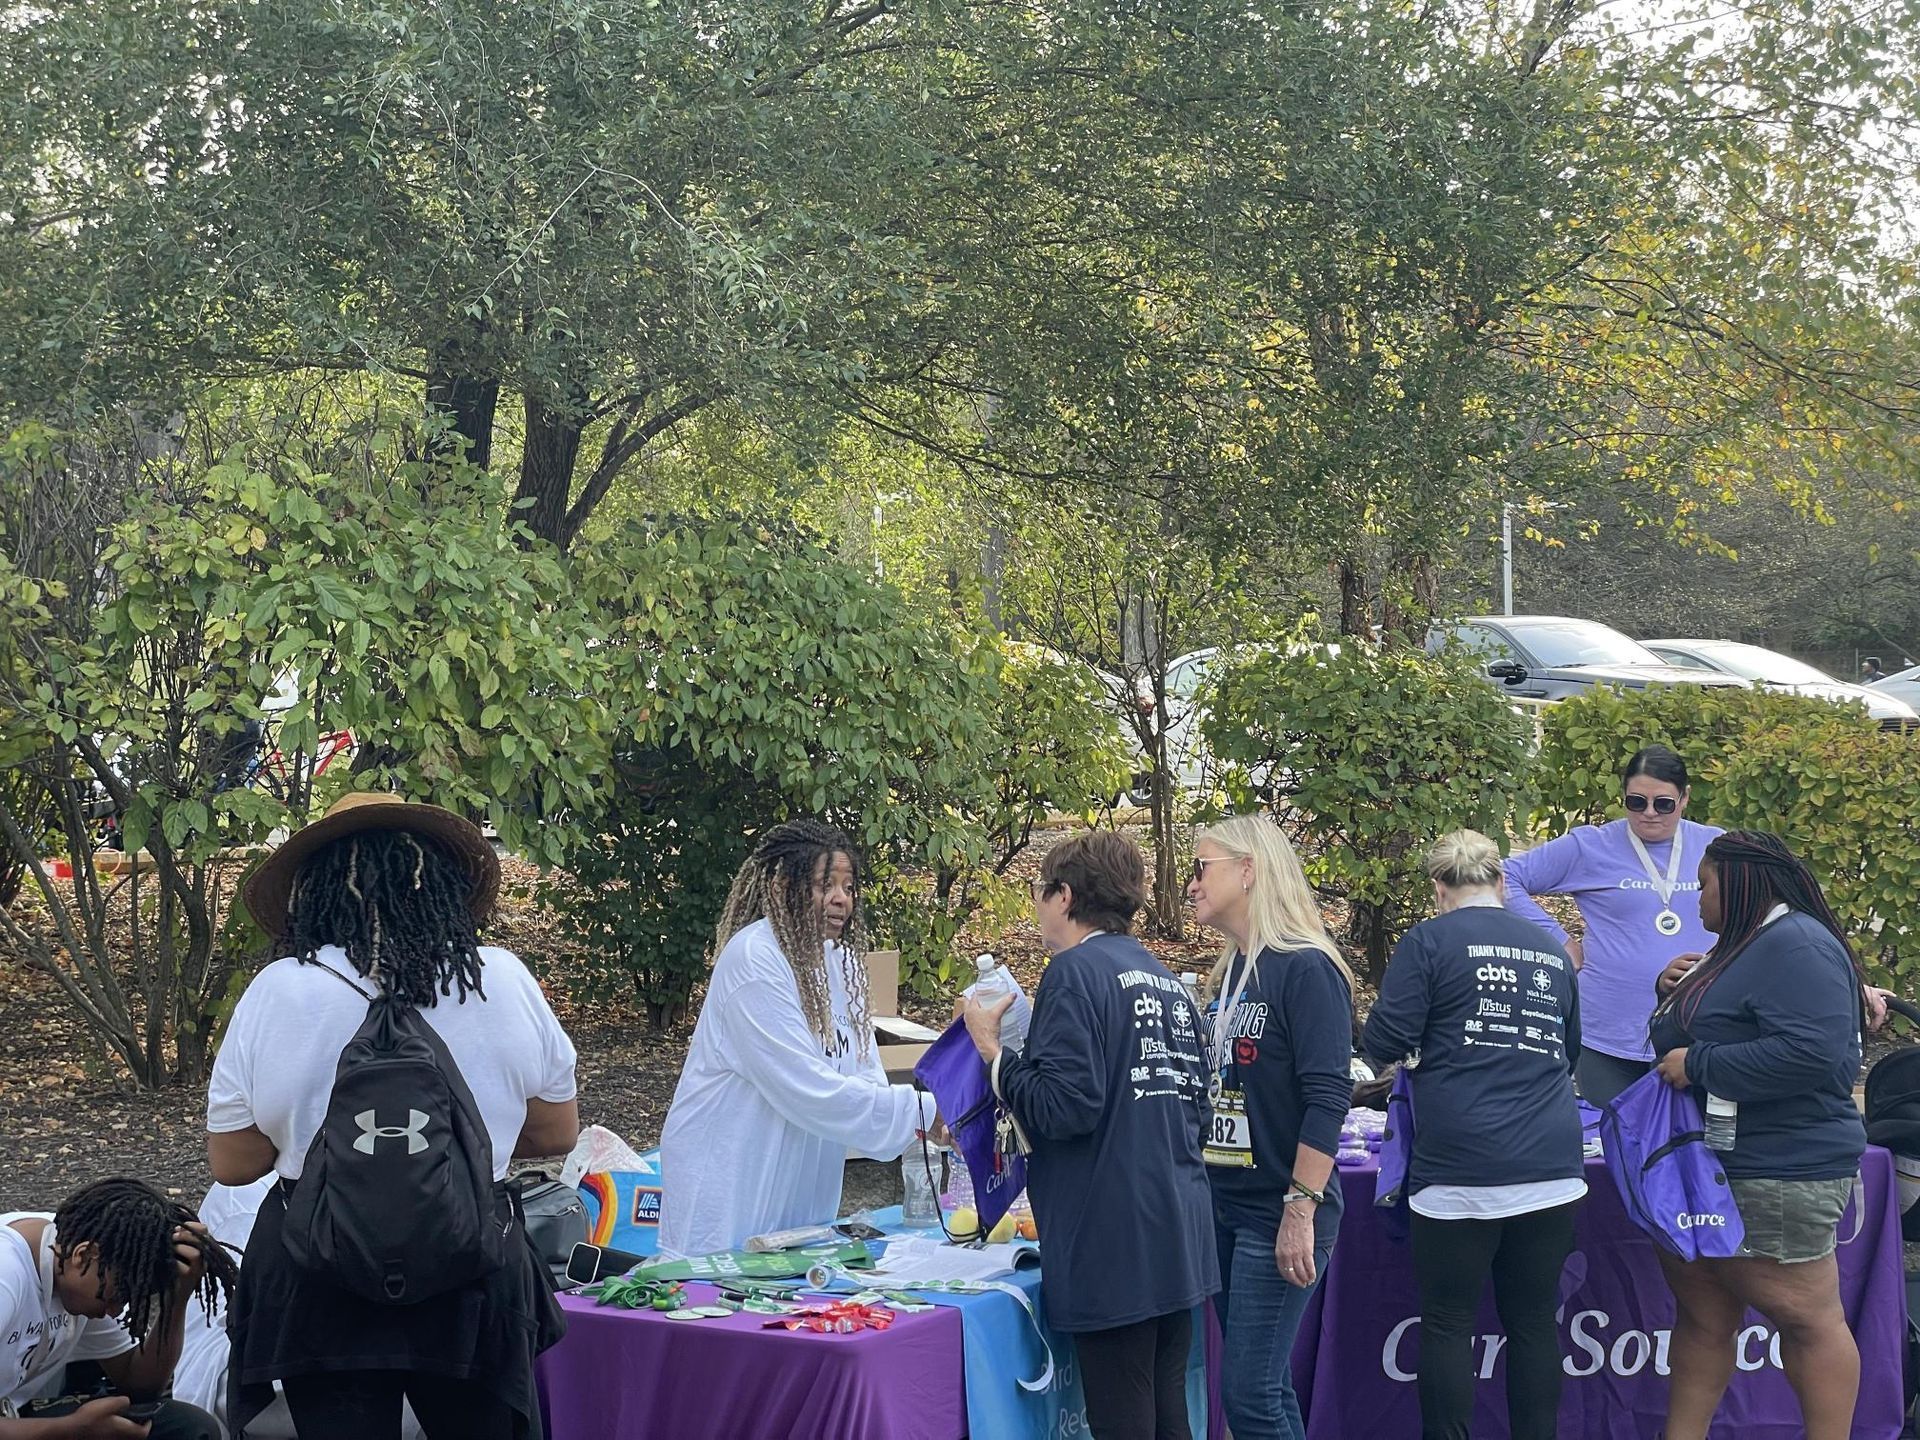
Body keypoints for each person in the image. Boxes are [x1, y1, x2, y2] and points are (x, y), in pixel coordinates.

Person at [206, 793, 579, 1440]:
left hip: (320, 1280)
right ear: (442, 881)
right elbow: (557, 1133)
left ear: (314, 888)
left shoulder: (280, 991)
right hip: (471, 1272)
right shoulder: (501, 978)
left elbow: (233, 1164)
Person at [962, 832, 1216, 1440]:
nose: (1037, 907)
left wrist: (993, 1052)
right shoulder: (1163, 978)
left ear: (1065, 895)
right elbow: (1197, 1105)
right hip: (1178, 1227)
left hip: (1112, 1238)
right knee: (1168, 1413)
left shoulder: (1073, 973)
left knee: (1125, 1419)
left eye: (1038, 892)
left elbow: (1066, 1106)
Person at [1363, 831, 1583, 1440]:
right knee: (1536, 1322)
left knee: (1448, 1322)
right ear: (1502, 885)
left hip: (1458, 1167)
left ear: (1439, 891)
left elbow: (1383, 1040)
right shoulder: (1548, 950)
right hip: (1551, 1165)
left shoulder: (1429, 941)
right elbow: (1566, 1055)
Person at [1649, 831, 1868, 1440]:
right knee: (1703, 1318)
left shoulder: (1796, 944)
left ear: (1742, 883)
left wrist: (1700, 1065)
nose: (1697, 901)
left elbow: (1815, 1055)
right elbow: (1702, 1033)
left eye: (1705, 885)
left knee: (1807, 1321)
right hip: (1707, 1166)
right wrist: (1672, 995)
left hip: (1778, 1168)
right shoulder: (1741, 947)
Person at [660, 820, 931, 1258]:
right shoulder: (754, 960)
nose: (842, 898)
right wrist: (923, 1113)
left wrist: (917, 1117)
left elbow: (865, 1081)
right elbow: (807, 1089)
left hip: (799, 1204)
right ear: (786, 885)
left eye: (848, 885)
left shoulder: (843, 966)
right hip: (728, 1198)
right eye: (826, 884)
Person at [1184, 816, 1352, 1440]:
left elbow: (1328, 1096)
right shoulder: (1229, 972)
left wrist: (1300, 1209)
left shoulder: (1306, 968)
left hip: (1279, 1209)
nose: (1192, 884)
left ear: (1248, 870)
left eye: (1202, 868)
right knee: (1267, 1388)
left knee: (1249, 1395)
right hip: (1227, 1204)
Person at [1503, 745, 1720, 1103]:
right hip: (1606, 1034)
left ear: (1685, 799)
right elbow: (1504, 878)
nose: (1649, 813)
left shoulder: (1715, 844)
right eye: (1637, 802)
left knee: (1685, 1149)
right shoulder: (1592, 846)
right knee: (1613, 1143)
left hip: (1693, 1031)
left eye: (1663, 804)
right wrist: (1557, 940)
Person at [0, 1179, 234, 1440]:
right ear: (84, 1255)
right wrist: (69, 1430)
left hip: (15, 1415)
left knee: (187, 1427)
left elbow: (139, 1385)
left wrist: (176, 1299)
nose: (114, 1311)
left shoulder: (82, 1258)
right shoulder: (7, 1276)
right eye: (116, 1296)